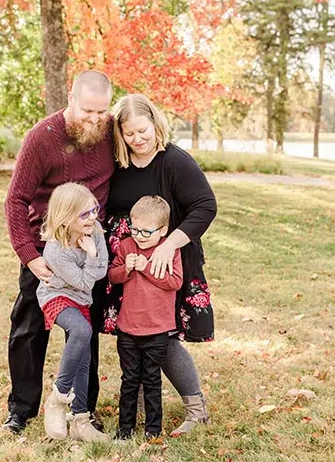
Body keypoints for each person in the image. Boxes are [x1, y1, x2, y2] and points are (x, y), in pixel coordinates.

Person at [3, 70, 114, 434]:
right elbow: (16, 199)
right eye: (87, 111)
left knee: (86, 331)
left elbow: (147, 139)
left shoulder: (110, 131)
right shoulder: (42, 138)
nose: (95, 120)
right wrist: (29, 255)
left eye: (102, 112)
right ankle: (21, 410)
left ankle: (84, 409)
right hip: (45, 253)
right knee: (28, 330)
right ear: (71, 99)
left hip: (88, 251)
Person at [104, 93, 217, 436]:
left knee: (162, 338)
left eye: (143, 130)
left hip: (167, 260)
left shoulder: (175, 161)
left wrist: (169, 245)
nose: (138, 139)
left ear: (155, 124)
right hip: (127, 263)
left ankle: (196, 410)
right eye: (130, 133)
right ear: (120, 135)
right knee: (132, 335)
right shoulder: (117, 164)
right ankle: (138, 413)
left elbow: (205, 207)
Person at [37, 183, 110, 442]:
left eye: (94, 210)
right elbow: (84, 281)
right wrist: (92, 254)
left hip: (81, 299)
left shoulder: (96, 231)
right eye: (85, 214)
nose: (92, 217)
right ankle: (58, 397)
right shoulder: (56, 250)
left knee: (84, 356)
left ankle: (81, 420)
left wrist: (93, 255)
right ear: (66, 218)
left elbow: (101, 272)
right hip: (56, 296)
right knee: (81, 330)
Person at [108, 196, 183, 439]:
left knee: (151, 379)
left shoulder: (169, 252)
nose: (139, 235)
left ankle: (153, 429)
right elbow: (113, 276)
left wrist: (146, 268)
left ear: (163, 231)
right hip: (128, 328)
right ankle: (125, 428)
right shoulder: (127, 246)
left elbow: (175, 282)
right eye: (134, 228)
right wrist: (127, 268)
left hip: (157, 329)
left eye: (146, 232)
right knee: (129, 379)